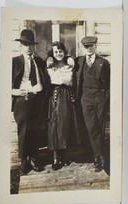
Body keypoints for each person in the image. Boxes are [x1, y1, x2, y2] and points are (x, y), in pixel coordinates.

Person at [12, 29, 48, 175]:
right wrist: (15, 92)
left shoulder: (39, 61)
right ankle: (23, 162)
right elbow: (4, 84)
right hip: (23, 100)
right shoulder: (14, 62)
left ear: (34, 46)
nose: (28, 48)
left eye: (30, 45)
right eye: (25, 44)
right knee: (24, 132)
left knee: (36, 131)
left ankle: (34, 159)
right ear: (21, 45)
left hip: (38, 100)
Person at [75, 36, 110, 172]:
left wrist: (106, 98)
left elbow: (108, 84)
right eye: (86, 46)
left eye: (91, 46)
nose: (89, 49)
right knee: (91, 127)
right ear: (83, 47)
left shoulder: (103, 62)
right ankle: (98, 157)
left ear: (95, 46)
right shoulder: (78, 61)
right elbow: (64, 61)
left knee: (100, 127)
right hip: (85, 98)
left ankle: (99, 157)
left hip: (100, 98)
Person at [47, 41, 81, 170]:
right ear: (52, 53)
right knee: (55, 125)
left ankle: (64, 154)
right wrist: (50, 58)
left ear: (64, 52)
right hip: (55, 95)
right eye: (56, 51)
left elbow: (76, 66)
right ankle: (56, 157)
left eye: (60, 51)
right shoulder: (49, 64)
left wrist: (70, 58)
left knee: (66, 124)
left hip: (67, 95)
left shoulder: (69, 63)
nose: (58, 54)